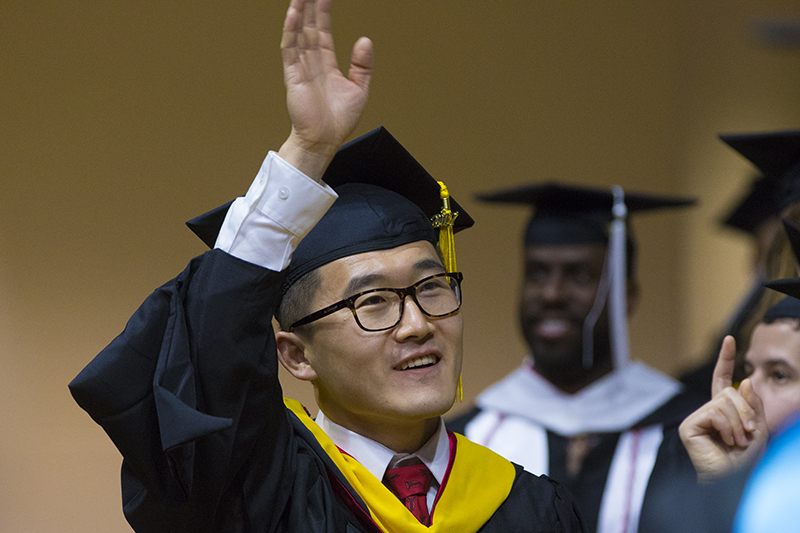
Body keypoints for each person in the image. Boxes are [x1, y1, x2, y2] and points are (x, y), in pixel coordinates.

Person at [69, 1, 585, 532]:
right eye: (373, 301)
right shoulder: (261, 488)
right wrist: (307, 152)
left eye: (431, 286)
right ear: (295, 355)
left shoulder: (534, 509)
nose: (418, 324)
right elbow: (214, 355)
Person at [447, 183, 701, 533]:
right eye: (537, 273)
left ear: (627, 296)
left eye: (579, 275)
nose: (552, 294)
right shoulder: (466, 440)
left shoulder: (687, 434)